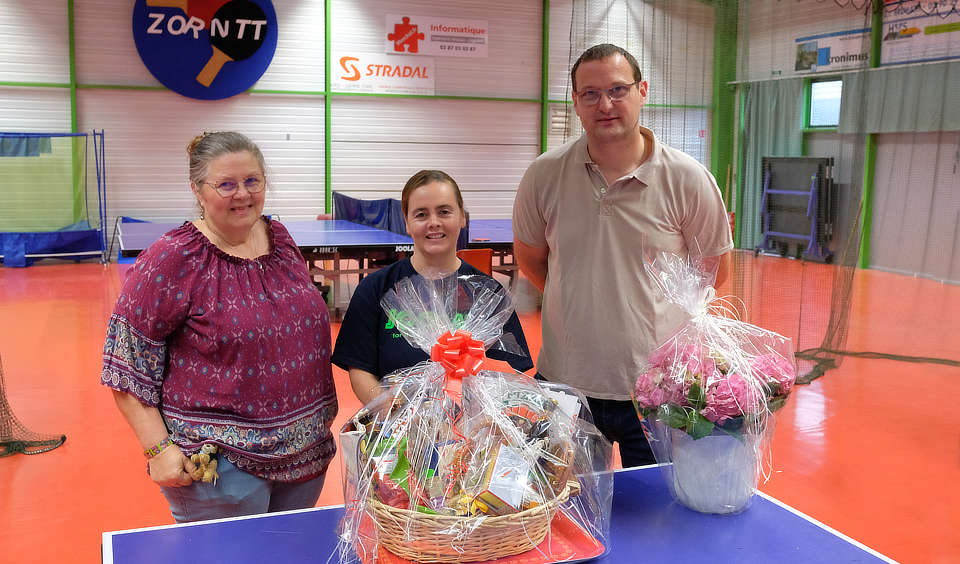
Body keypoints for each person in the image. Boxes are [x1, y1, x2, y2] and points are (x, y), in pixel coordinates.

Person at [512, 44, 733, 467]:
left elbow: (715, 273)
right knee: (570, 520)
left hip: (658, 392)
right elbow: (532, 260)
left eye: (617, 89)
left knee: (655, 519)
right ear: (576, 102)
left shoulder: (687, 179)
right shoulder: (543, 175)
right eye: (590, 94)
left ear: (642, 90)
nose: (605, 104)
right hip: (566, 385)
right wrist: (581, 298)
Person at [101, 131, 338, 523]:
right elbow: (124, 363)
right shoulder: (173, 257)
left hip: (306, 458)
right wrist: (157, 450)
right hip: (222, 470)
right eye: (225, 184)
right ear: (197, 189)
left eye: (252, 181)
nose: (242, 194)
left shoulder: (280, 238)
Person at [332, 170, 534, 404]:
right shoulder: (375, 290)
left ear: (462, 217)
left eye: (444, 212)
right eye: (421, 214)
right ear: (407, 222)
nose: (434, 223)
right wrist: (396, 413)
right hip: (399, 430)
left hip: (471, 433)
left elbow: (508, 371)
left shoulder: (488, 294)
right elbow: (360, 370)